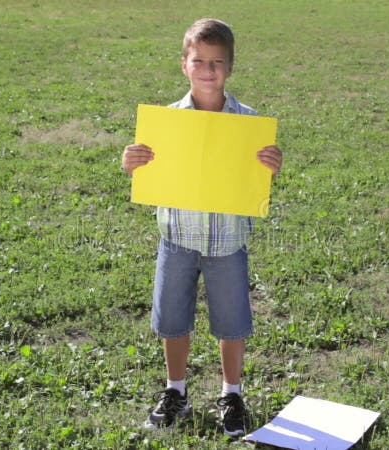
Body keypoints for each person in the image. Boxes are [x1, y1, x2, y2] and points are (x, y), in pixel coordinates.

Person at [121, 18, 283, 437]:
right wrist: (132, 164)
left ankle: (232, 393)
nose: (207, 69)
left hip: (228, 241)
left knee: (232, 321)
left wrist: (270, 168)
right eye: (199, 61)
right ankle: (176, 390)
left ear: (229, 67)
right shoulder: (166, 124)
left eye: (217, 62)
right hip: (177, 238)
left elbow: (254, 180)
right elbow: (148, 172)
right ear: (184, 64)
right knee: (173, 319)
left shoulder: (249, 125)